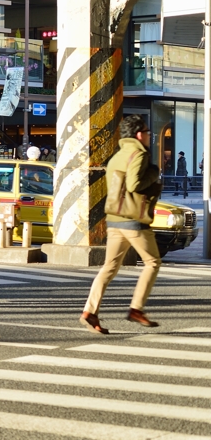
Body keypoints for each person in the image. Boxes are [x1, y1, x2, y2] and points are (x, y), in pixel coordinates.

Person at [80, 114, 162, 334]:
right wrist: (154, 174)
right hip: (133, 219)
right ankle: (136, 308)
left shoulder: (117, 156)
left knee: (109, 268)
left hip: (114, 220)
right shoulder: (139, 154)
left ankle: (90, 310)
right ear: (138, 134)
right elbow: (135, 184)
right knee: (152, 262)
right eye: (146, 132)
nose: (148, 136)